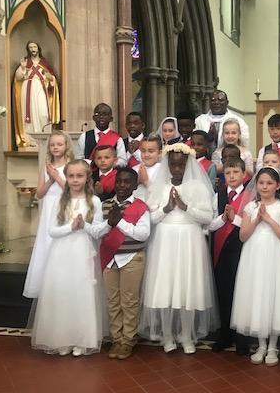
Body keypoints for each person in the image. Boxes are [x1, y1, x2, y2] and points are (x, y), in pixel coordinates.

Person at [139, 143, 218, 354]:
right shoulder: (158, 187)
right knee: (165, 287)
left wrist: (185, 207)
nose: (176, 169)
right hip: (165, 240)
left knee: (187, 288)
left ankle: (186, 334)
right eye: (172, 165)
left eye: (181, 165)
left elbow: (207, 217)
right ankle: (167, 335)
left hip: (190, 240)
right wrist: (166, 208)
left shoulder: (198, 187)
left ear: (188, 164)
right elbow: (150, 218)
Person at [31, 160, 104, 356]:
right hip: (61, 253)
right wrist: (71, 227)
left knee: (81, 293)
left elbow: (98, 231)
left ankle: (81, 340)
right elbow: (52, 231)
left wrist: (84, 226)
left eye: (79, 176)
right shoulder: (59, 201)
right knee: (63, 293)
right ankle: (62, 339)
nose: (75, 180)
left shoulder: (94, 201)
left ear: (87, 177)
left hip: (83, 251)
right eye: (71, 176)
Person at [230, 167, 280, 366]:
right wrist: (256, 219)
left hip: (276, 254)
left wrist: (268, 219)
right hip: (253, 254)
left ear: (277, 185)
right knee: (257, 294)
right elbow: (243, 236)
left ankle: (273, 346)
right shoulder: (250, 207)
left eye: (269, 183)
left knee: (274, 294)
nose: (264, 186)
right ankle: (261, 345)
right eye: (261, 183)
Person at [87, 168, 150, 360]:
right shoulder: (105, 205)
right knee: (113, 301)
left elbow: (143, 234)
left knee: (129, 301)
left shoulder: (140, 206)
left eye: (127, 182)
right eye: (119, 181)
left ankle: (128, 340)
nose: (122, 185)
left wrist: (120, 222)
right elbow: (96, 232)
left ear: (135, 185)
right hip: (110, 259)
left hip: (132, 258)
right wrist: (108, 224)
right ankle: (117, 338)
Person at [23, 130, 74, 298]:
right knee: (47, 243)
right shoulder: (46, 167)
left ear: (66, 146)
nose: (55, 147)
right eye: (52, 145)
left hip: (63, 208)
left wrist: (57, 177)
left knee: (60, 243)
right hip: (48, 210)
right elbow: (39, 193)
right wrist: (50, 179)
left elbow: (72, 190)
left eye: (59, 144)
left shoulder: (70, 165)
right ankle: (46, 286)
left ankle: (62, 284)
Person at [208, 157, 250, 355]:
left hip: (241, 249)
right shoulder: (218, 195)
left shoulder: (250, 196)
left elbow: (252, 223)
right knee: (223, 292)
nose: (232, 176)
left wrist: (235, 219)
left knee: (241, 292)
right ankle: (225, 334)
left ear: (244, 174)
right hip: (221, 250)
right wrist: (223, 218)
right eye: (228, 173)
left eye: (236, 172)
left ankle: (242, 337)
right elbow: (209, 224)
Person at [12, 41, 61, 148]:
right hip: (28, 89)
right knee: (29, 114)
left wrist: (49, 77)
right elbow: (18, 78)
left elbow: (52, 79)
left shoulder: (44, 62)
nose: (33, 49)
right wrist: (23, 68)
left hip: (40, 88)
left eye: (34, 46)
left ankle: (45, 139)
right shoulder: (25, 61)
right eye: (30, 47)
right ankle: (30, 140)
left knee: (43, 114)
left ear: (38, 48)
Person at [133, 135, 162, 201]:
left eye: (151, 151)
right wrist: (137, 181)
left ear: (159, 153)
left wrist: (146, 182)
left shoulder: (163, 169)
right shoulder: (134, 169)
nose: (146, 155)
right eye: (143, 151)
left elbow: (163, 194)